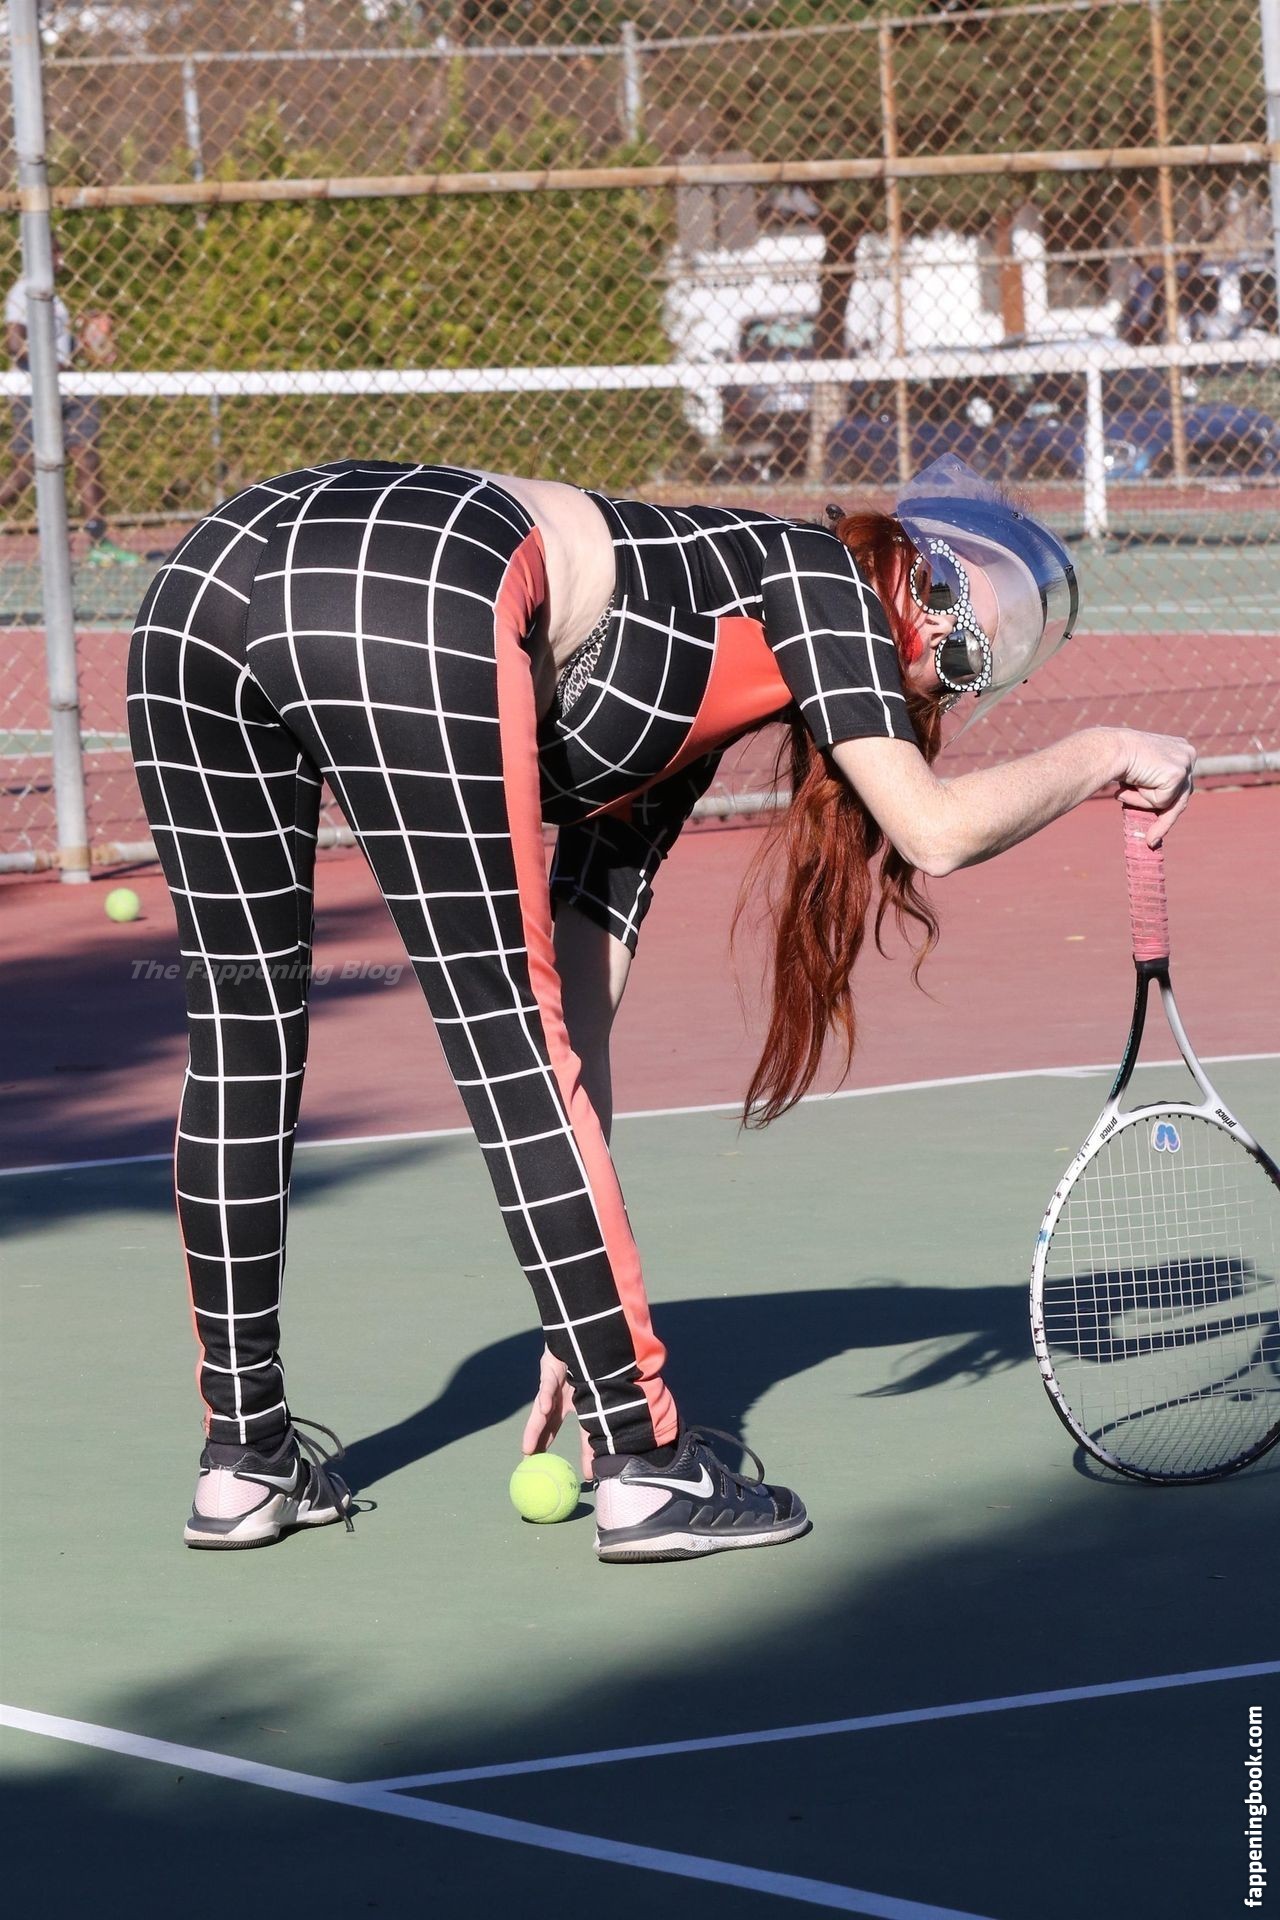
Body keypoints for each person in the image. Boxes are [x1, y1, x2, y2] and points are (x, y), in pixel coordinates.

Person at [126, 454, 1194, 1560]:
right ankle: (643, 1467)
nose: (948, 689)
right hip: (421, 570)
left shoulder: (685, 670)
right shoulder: (822, 575)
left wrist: (579, 1317)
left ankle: (243, 1461)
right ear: (923, 595)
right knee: (502, 1041)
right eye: (964, 658)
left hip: (203, 583)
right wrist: (1110, 752)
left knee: (245, 1038)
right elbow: (935, 830)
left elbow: (579, 1009)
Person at [1, 237, 133, 562]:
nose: (60, 258)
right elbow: (14, 343)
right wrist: (50, 368)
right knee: (25, 469)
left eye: (58, 252)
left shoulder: (55, 297)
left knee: (87, 456)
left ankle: (98, 542)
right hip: (34, 390)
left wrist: (91, 343)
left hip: (69, 386)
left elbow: (61, 347)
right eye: (54, 252)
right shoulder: (23, 291)